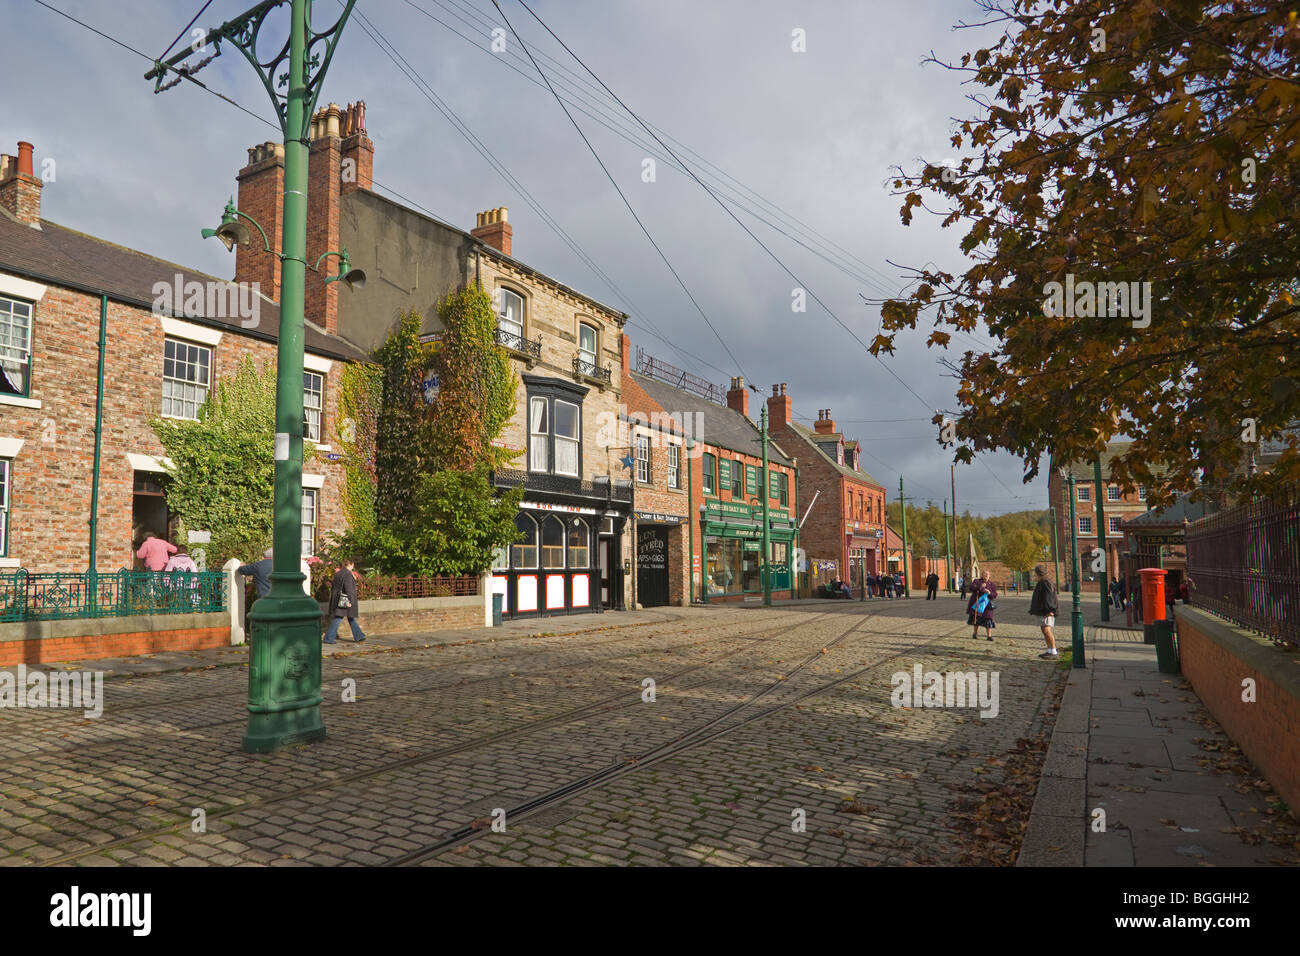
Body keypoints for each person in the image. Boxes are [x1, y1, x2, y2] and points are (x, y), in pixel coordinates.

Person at [324, 556, 366, 644]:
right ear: (350, 564)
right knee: (338, 618)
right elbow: (349, 589)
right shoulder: (347, 574)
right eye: (353, 563)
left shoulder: (338, 573)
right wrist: (351, 601)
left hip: (337, 599)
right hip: (344, 600)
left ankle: (359, 636)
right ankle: (328, 638)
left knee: (350, 617)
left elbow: (334, 587)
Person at [1029, 563, 1059, 659]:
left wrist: (1050, 610)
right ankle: (1049, 650)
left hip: (1046, 611)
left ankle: (1053, 651)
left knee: (1047, 630)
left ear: (1039, 573)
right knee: (1044, 630)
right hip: (1043, 610)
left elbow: (1049, 598)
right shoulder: (1044, 581)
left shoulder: (1046, 582)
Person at [966, 575, 998, 641]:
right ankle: (975, 633)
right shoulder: (977, 581)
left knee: (988, 619)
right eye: (984, 574)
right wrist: (981, 587)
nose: (986, 576)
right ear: (982, 575)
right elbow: (972, 588)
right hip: (978, 603)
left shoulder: (991, 584)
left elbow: (995, 594)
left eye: (987, 575)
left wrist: (989, 593)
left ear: (989, 576)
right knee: (976, 619)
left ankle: (989, 636)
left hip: (987, 605)